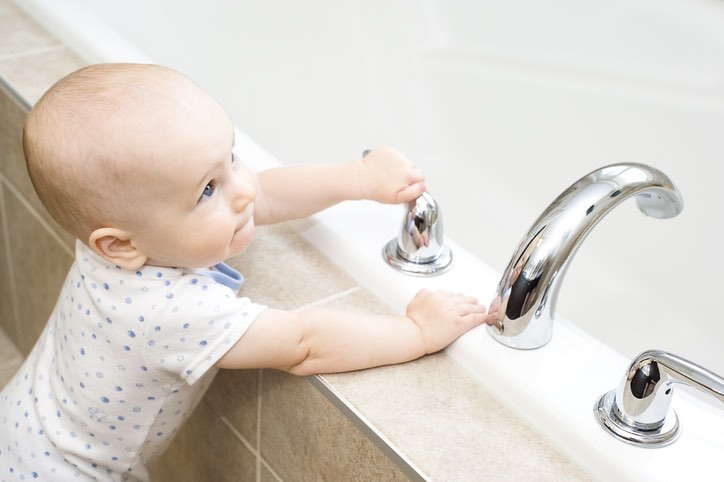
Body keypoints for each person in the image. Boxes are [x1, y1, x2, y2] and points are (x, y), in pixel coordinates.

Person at [0, 63, 486, 481]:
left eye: (230, 156)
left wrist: (356, 178)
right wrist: (415, 331)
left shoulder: (120, 233)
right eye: (208, 189)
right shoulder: (170, 311)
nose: (243, 190)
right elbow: (304, 343)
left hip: (20, 422)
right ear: (121, 244)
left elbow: (264, 195)